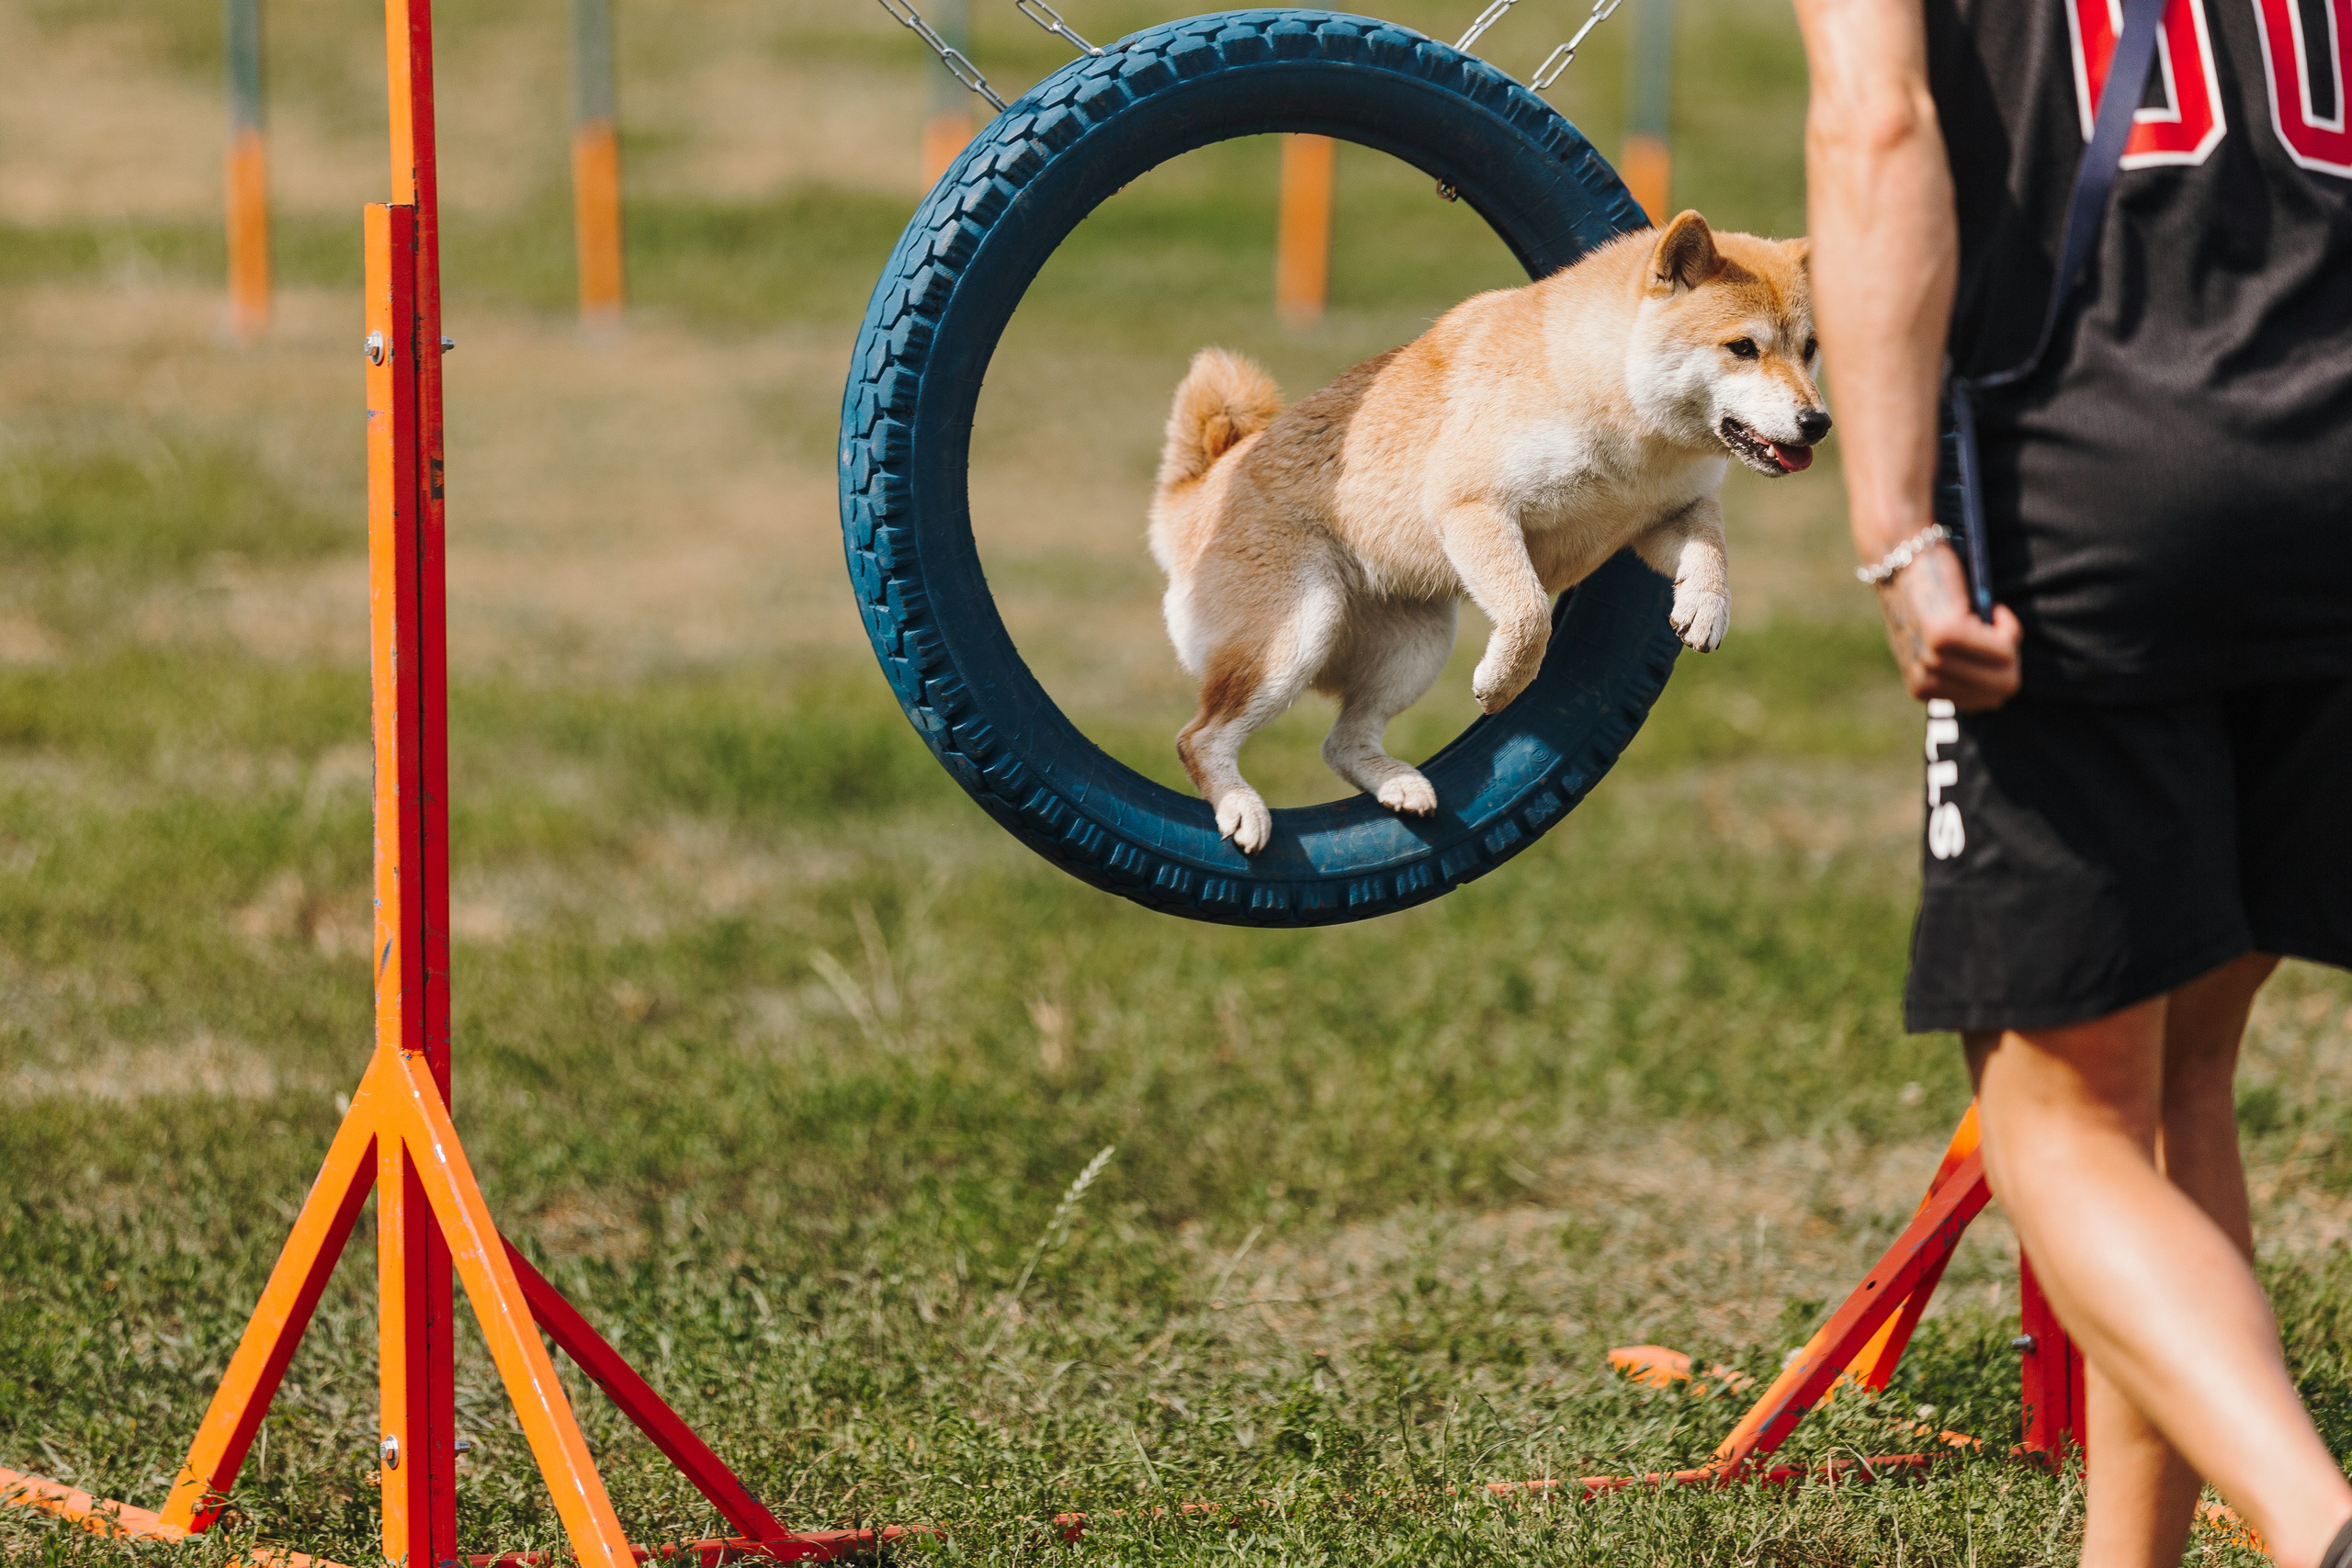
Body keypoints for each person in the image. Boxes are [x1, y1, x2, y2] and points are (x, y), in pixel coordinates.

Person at [1788, 0, 2352, 1562]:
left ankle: (2318, 1526)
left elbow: (1874, 129)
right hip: (2329, 467)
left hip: (2103, 492)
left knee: (2060, 1128)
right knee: (2177, 1090)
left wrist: (1897, 529)